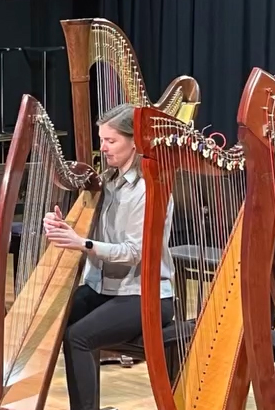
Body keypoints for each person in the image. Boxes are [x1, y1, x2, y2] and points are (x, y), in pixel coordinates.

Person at [43, 103, 175, 410]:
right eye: (101, 139)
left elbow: (133, 253)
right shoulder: (109, 181)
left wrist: (82, 243)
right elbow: (91, 230)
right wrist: (63, 227)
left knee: (78, 337)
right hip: (104, 289)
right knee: (51, 319)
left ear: (135, 142)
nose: (102, 148)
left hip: (143, 295)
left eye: (111, 140)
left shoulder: (148, 188)